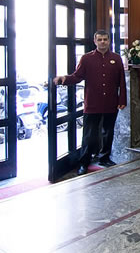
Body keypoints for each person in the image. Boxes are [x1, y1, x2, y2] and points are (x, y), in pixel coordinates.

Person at [53, 30, 126, 175]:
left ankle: (104, 158)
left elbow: (121, 82)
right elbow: (77, 76)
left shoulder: (116, 58)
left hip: (111, 102)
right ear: (95, 41)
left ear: (109, 41)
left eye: (105, 39)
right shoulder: (86, 59)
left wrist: (122, 99)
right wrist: (64, 79)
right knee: (89, 135)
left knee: (108, 132)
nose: (102, 42)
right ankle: (84, 163)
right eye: (100, 39)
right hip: (92, 103)